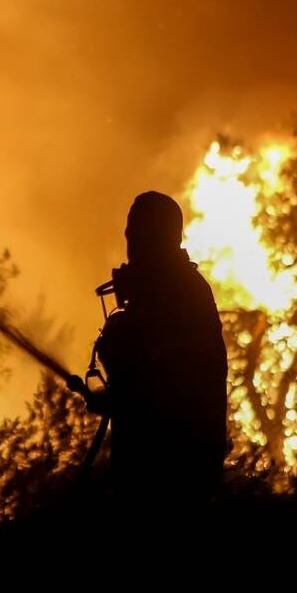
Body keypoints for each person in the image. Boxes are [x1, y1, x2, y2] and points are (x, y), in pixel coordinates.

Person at [69, 190, 229, 535]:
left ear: (158, 237)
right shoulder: (164, 292)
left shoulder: (181, 293)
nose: (129, 241)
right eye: (129, 232)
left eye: (137, 232)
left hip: (174, 466)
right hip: (156, 462)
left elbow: (161, 377)